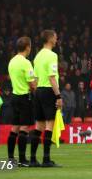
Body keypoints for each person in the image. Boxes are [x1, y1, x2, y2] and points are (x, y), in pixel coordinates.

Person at [31, 30, 62, 167]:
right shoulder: (52, 55)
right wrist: (58, 96)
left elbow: (35, 79)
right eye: (55, 37)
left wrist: (37, 93)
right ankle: (46, 159)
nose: (57, 39)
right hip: (49, 91)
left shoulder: (37, 56)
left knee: (39, 125)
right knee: (49, 124)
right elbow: (52, 77)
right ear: (50, 39)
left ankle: (32, 159)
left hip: (38, 91)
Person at [7, 36, 37, 166]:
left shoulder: (12, 61)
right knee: (24, 128)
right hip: (25, 97)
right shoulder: (26, 63)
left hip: (14, 96)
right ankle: (22, 159)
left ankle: (10, 158)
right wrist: (36, 84)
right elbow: (32, 84)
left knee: (15, 128)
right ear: (28, 47)